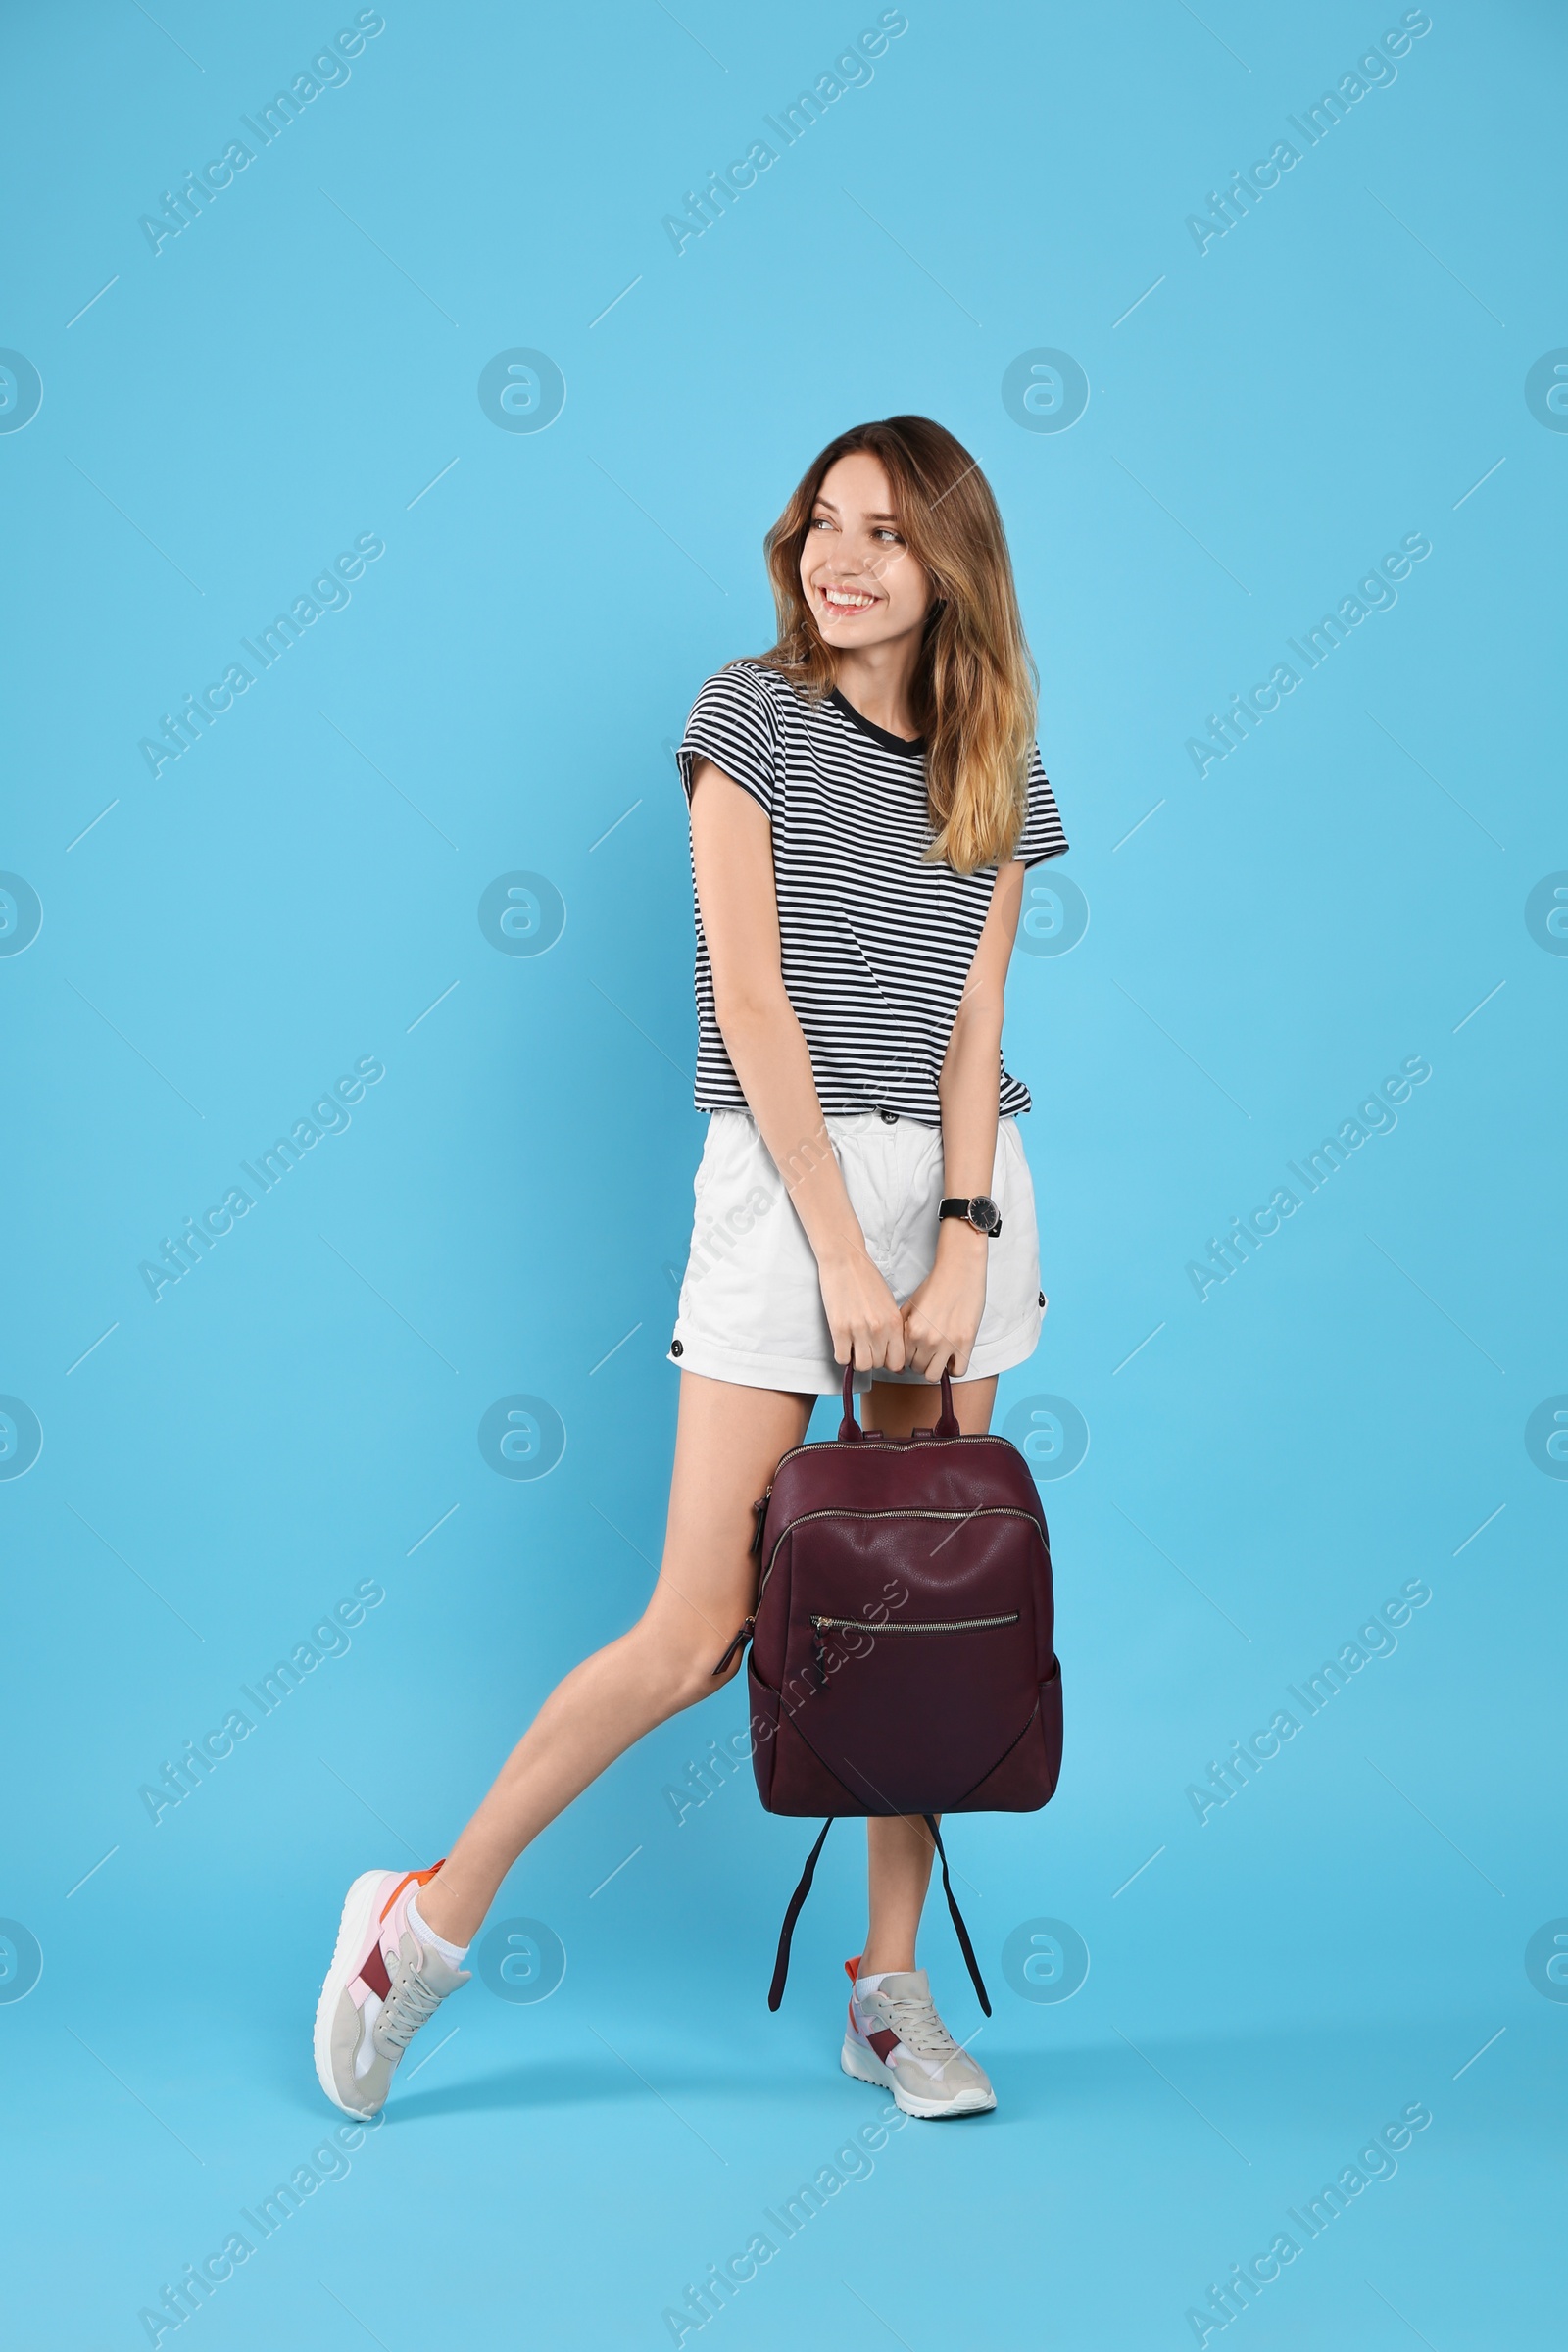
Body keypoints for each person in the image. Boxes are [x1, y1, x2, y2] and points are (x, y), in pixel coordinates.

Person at [315, 414, 1068, 2123]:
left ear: (954, 560)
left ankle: (891, 1992)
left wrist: (956, 1246)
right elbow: (752, 1002)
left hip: (954, 1191)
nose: (842, 556)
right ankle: (420, 1926)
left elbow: (971, 1026)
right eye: (823, 522)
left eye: (884, 531)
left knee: (917, 1608)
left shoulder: (997, 755)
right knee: (699, 1630)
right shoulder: (753, 714)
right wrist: (837, 1252)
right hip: (782, 1177)